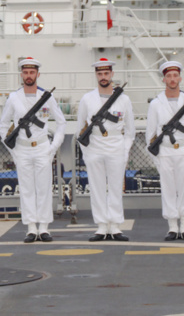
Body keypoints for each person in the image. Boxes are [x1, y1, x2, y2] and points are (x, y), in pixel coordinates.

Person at [0, 57, 66, 243]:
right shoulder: (14, 98)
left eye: (32, 72)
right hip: (22, 149)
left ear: (38, 74)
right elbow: (3, 125)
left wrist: (52, 148)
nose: (29, 76)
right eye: (26, 72)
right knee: (27, 189)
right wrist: (13, 151)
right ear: (21, 74)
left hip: (42, 147)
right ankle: (31, 228)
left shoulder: (47, 97)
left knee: (44, 188)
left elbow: (61, 123)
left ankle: (44, 228)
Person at [145, 61, 184, 241]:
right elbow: (150, 134)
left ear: (180, 77)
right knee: (168, 190)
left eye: (175, 75)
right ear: (163, 79)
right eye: (168, 76)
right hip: (165, 151)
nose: (172, 79)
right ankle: (172, 227)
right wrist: (156, 158)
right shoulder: (156, 104)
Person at [77, 58, 135, 242]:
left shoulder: (123, 99)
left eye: (106, 73)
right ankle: (102, 226)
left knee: (116, 187)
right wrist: (86, 152)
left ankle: (116, 226)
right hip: (94, 146)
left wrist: (124, 150)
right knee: (97, 187)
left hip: (116, 145)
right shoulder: (87, 99)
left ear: (112, 74)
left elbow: (131, 131)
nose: (103, 77)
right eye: (100, 74)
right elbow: (80, 128)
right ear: (96, 75)